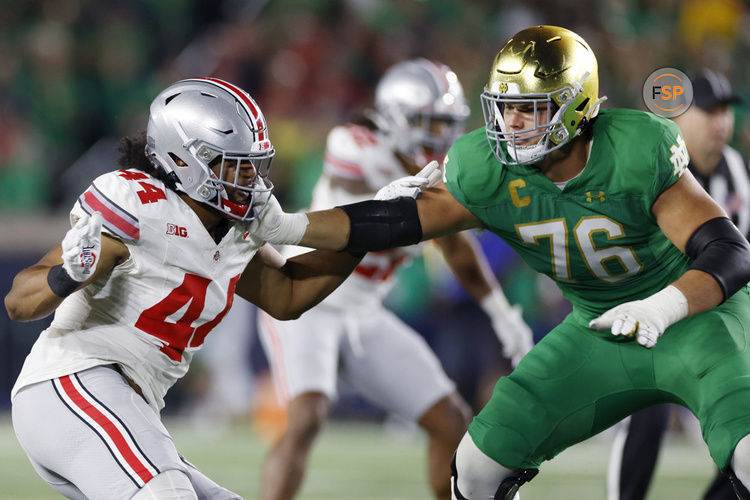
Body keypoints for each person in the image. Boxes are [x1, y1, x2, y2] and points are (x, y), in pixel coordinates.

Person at [247, 25, 750, 499]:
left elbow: (729, 252)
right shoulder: (486, 166)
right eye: (505, 107)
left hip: (695, 319)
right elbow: (394, 221)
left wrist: (663, 308)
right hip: (597, 328)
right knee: (476, 465)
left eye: (529, 109)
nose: (510, 123)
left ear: (575, 107)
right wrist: (289, 227)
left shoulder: (636, 148)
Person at [4, 77, 365, 500]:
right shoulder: (138, 204)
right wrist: (66, 274)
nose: (250, 177)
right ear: (184, 160)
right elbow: (18, 302)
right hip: (71, 385)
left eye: (253, 163)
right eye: (234, 163)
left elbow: (287, 295)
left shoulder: (231, 230)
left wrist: (361, 237)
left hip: (130, 409)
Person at [256, 58, 534, 500]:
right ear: (395, 116)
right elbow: (374, 195)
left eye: (448, 123)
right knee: (307, 416)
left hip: (366, 311)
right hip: (307, 303)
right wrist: (441, 196)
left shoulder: (439, 177)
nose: (441, 135)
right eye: (429, 121)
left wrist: (501, 313)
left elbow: (457, 247)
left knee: (451, 421)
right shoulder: (353, 143)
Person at [608, 68, 749, 500]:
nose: (722, 122)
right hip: (647, 305)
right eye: (710, 111)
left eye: (726, 111)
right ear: (679, 117)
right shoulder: (652, 163)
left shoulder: (733, 170)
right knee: (646, 408)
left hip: (709, 311)